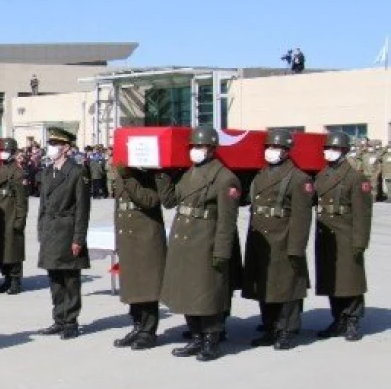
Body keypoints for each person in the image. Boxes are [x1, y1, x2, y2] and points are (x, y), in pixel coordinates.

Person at [159, 127, 242, 361]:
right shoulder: (189, 172)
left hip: (205, 241)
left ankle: (211, 340)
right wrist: (162, 173)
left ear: (212, 149)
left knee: (207, 293)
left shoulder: (225, 178)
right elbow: (170, 200)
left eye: (200, 146)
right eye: (193, 146)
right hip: (184, 240)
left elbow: (227, 221)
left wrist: (222, 250)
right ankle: (196, 337)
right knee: (187, 291)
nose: (195, 151)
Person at [241, 131, 313, 350]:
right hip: (260, 237)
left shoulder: (299, 178)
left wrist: (296, 248)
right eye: (269, 146)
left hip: (283, 239)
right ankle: (270, 326)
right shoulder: (261, 174)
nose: (271, 150)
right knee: (266, 286)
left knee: (286, 287)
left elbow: (302, 217)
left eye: (276, 147)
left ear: (286, 151)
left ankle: (287, 330)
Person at [314, 132, 373, 341]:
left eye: (335, 149)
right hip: (326, 234)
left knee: (350, 279)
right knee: (332, 278)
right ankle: (338, 318)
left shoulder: (356, 178)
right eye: (328, 148)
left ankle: (353, 320)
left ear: (345, 151)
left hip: (346, 235)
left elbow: (363, 214)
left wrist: (360, 242)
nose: (330, 152)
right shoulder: (322, 175)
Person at [36, 128, 91, 338]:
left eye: (55, 144)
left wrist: (78, 238)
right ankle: (58, 318)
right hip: (51, 231)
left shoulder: (77, 172)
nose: (51, 148)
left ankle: (71, 321)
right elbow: (42, 205)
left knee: (70, 279)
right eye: (50, 143)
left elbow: (82, 209)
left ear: (66, 147)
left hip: (67, 230)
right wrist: (41, 230)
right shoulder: (48, 171)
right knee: (55, 279)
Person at [110, 166, 169, 350]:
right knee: (133, 285)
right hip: (128, 236)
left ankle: (148, 332)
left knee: (147, 286)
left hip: (146, 237)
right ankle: (137, 326)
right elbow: (119, 207)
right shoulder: (123, 173)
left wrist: (129, 179)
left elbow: (149, 200)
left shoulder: (149, 173)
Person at [0, 138, 29, 295]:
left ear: (13, 153)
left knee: (13, 250)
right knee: (1, 250)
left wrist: (20, 219)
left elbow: (22, 200)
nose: (3, 153)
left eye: (7, 151)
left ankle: (15, 280)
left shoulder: (17, 173)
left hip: (11, 214)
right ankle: (6, 278)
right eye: (2, 150)